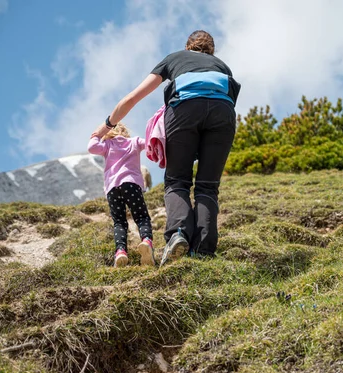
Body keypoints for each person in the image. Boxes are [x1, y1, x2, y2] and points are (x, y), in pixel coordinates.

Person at [91, 30, 240, 266]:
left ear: (188, 46)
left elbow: (132, 98)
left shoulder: (175, 58)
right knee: (208, 187)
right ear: (211, 51)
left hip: (184, 111)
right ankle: (203, 250)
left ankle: (179, 234)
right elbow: (223, 102)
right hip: (224, 115)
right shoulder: (221, 66)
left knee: (177, 181)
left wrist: (106, 126)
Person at [88, 123, 155, 267]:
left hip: (112, 189)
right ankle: (146, 241)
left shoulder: (106, 144)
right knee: (142, 217)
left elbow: (91, 147)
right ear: (125, 131)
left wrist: (97, 134)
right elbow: (150, 142)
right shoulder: (134, 142)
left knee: (119, 222)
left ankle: (120, 252)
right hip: (131, 184)